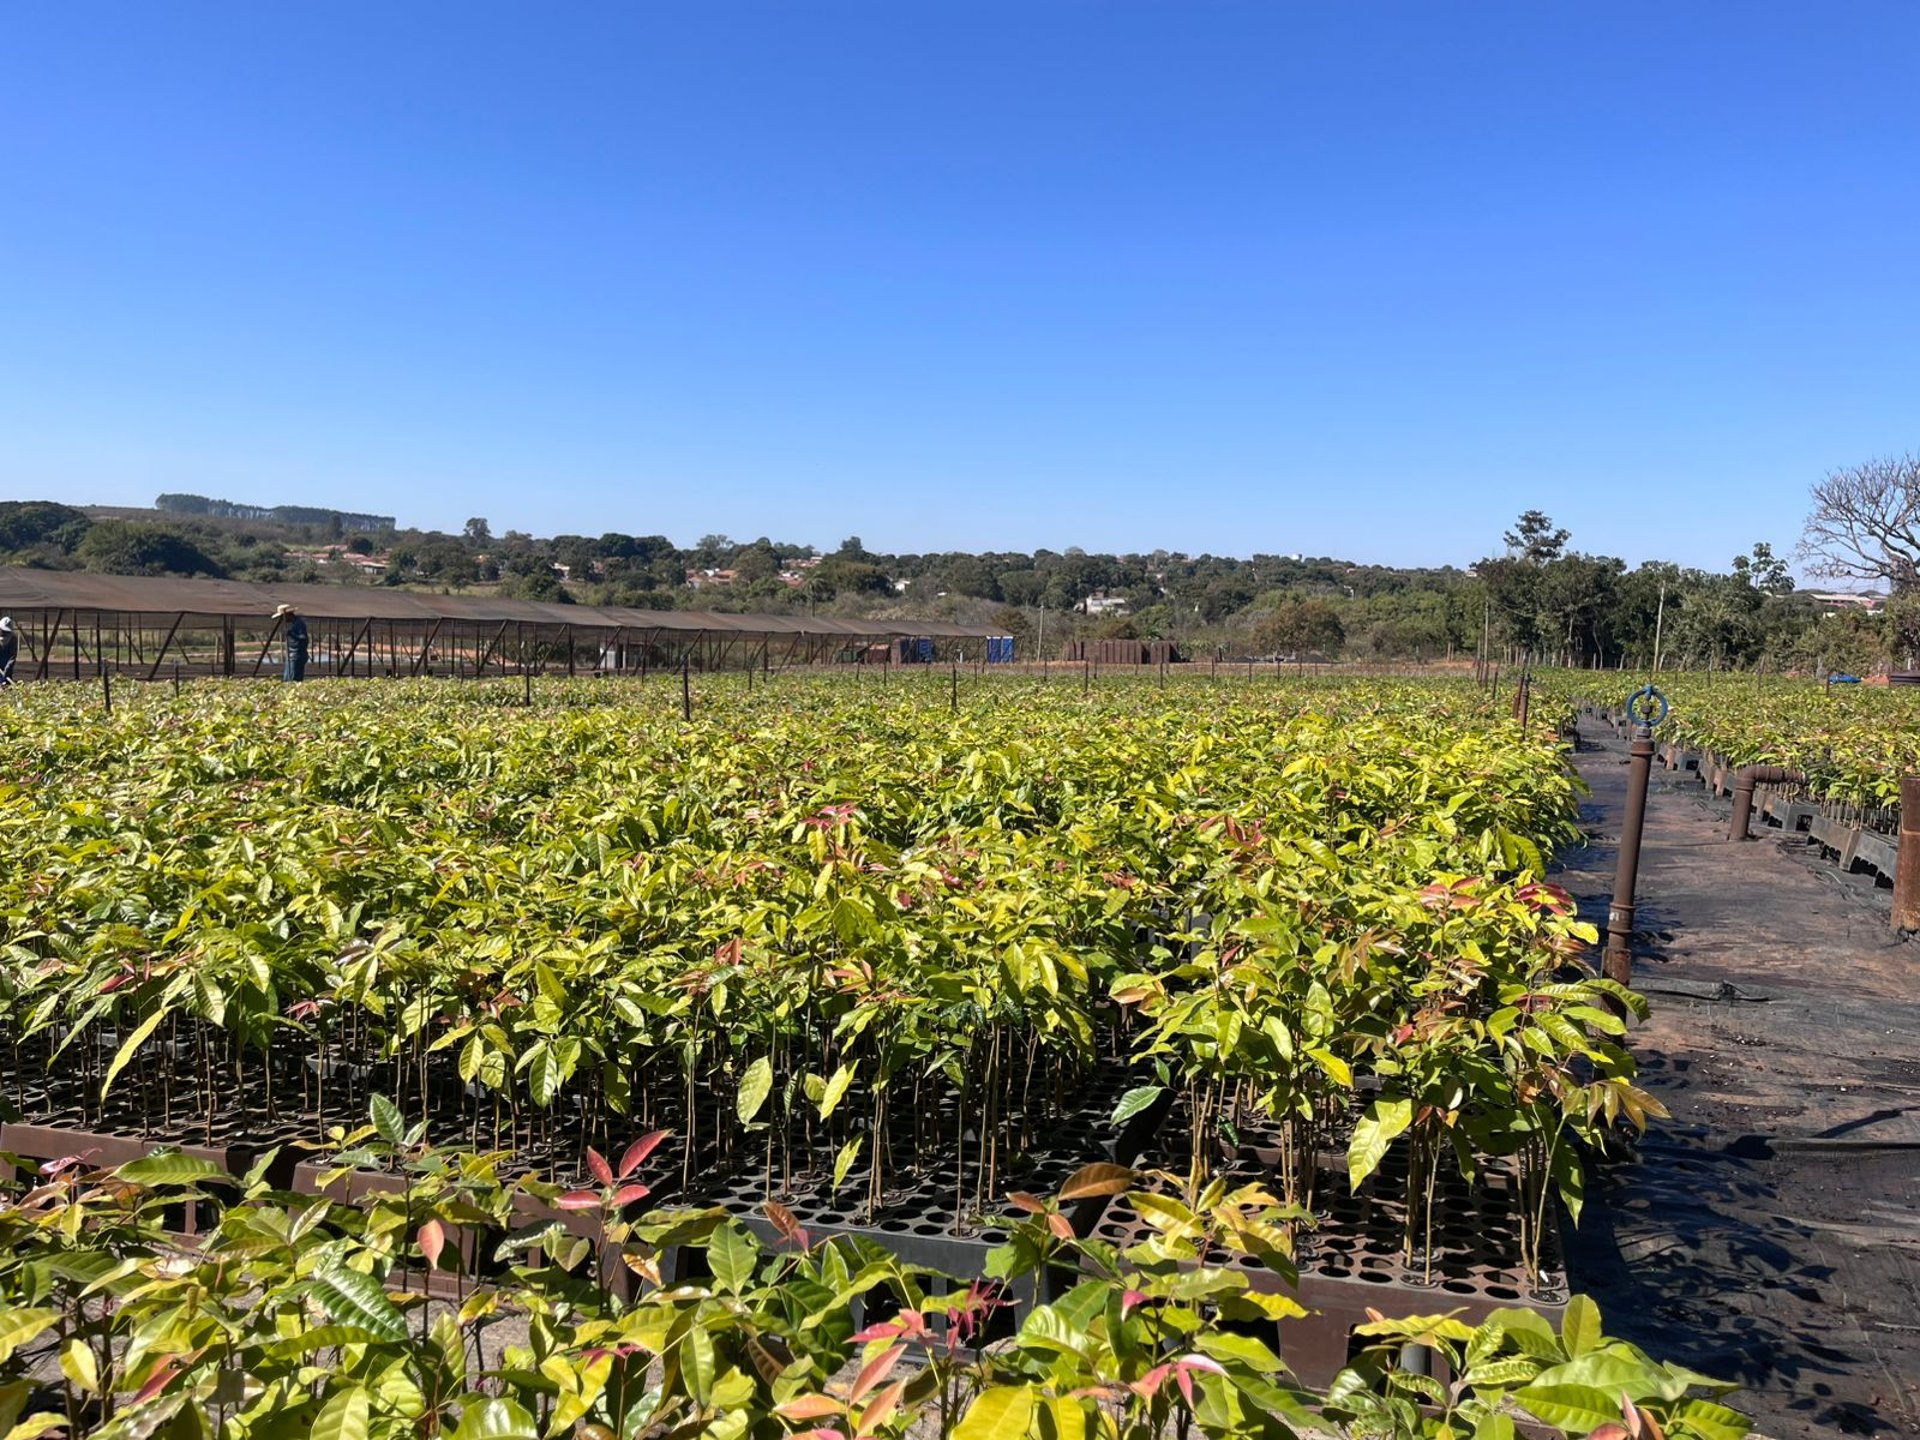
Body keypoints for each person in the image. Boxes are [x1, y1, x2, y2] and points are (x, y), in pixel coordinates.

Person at [274, 603, 309, 682]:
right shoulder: (294, 624)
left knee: (293, 679)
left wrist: (292, 634)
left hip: (297, 655)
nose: (283, 619)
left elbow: (304, 638)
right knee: (287, 678)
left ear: (288, 615)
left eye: (283, 617)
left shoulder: (299, 623)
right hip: (291, 655)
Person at [0, 616, 15, 686]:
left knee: (6, 686)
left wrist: (8, 668)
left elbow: (12, 656)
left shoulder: (13, 640)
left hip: (6, 669)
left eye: (7, 632)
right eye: (3, 631)